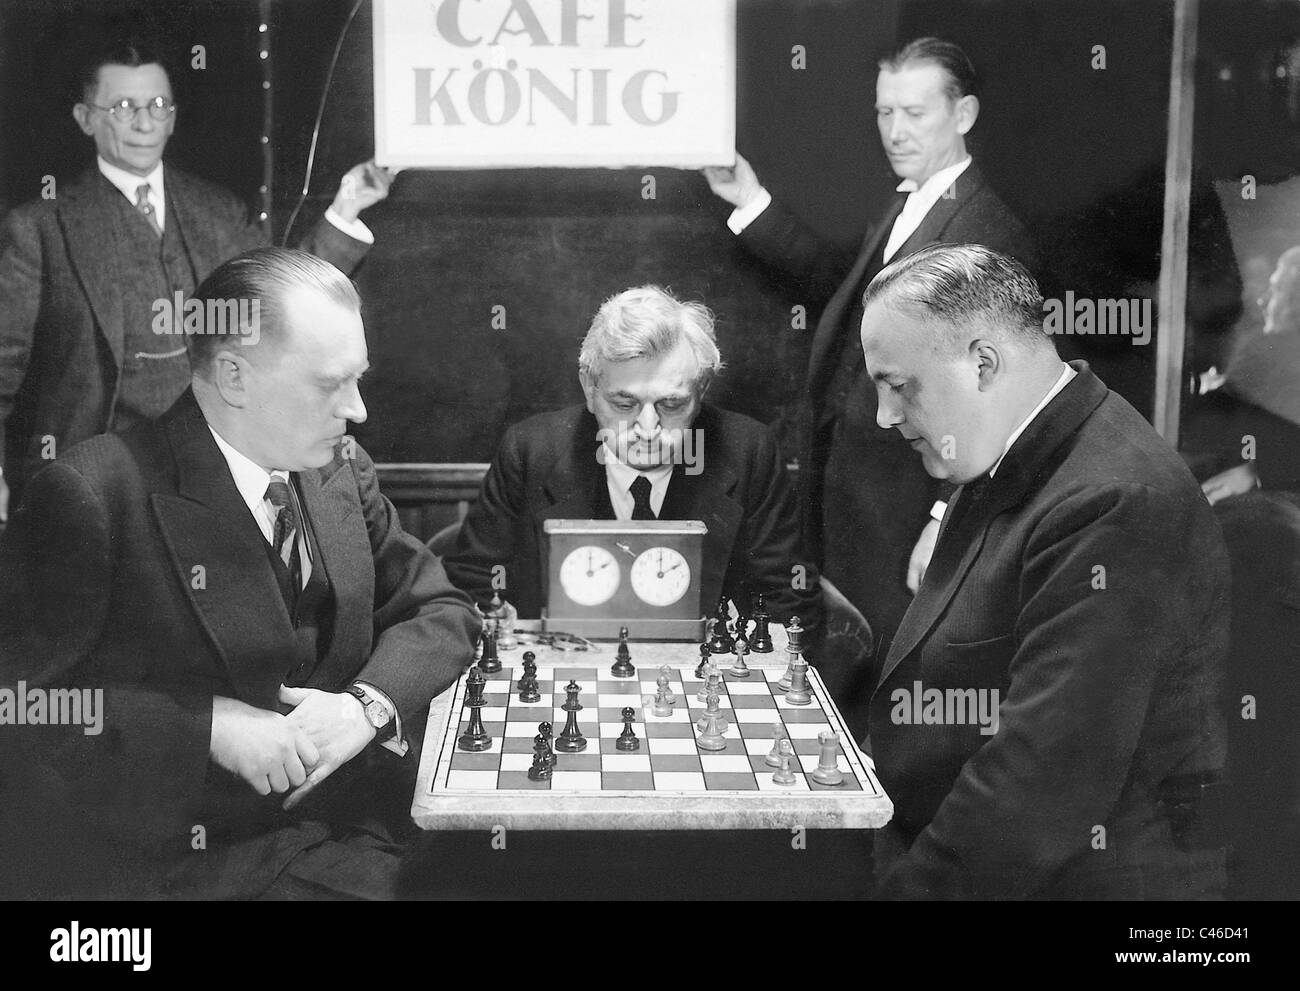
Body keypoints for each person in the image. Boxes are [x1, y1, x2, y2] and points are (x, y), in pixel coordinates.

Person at [0, 248, 480, 900]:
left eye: (359, 378)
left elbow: (443, 610)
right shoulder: (92, 492)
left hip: (357, 816)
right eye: (329, 384)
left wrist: (363, 708)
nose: (359, 408)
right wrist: (203, 727)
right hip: (199, 860)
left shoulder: (338, 465)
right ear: (234, 376)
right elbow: (23, 711)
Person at [861, 244, 1230, 899]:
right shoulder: (1008, 449)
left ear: (982, 363)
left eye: (897, 385)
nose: (885, 416)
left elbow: (1038, 785)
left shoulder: (1114, 501)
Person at [702, 37, 1037, 668]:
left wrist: (946, 516)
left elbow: (1004, 395)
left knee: (896, 675)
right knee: (852, 668)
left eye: (915, 113)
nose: (895, 131)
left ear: (962, 116)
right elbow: (845, 294)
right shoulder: (908, 203)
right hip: (852, 493)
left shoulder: (986, 230)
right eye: (886, 113)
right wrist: (749, 201)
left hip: (907, 506)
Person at [0, 38, 394, 521]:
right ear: (86, 118)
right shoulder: (39, 228)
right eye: (124, 107)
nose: (145, 123)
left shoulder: (217, 210)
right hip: (91, 489)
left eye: (158, 105)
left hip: (211, 482)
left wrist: (346, 208)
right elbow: (3, 368)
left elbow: (280, 304)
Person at [443, 284, 822, 635]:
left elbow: (789, 596)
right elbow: (472, 582)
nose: (647, 427)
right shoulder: (529, 449)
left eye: (671, 404)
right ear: (590, 389)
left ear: (701, 389)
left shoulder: (748, 451)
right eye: (625, 403)